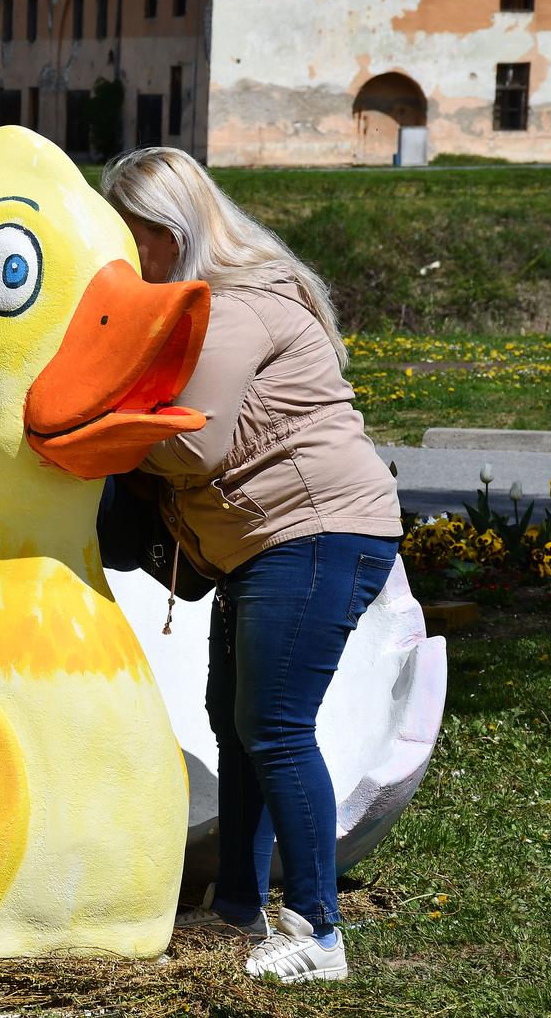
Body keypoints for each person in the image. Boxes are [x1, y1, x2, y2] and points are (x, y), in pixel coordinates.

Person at [101, 147, 402, 983]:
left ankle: (316, 933)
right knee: (236, 727)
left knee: (272, 728)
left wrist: (109, 433)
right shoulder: (210, 307)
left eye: (129, 236)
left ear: (168, 231)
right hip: (272, 544)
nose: (123, 257)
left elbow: (195, 446)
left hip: (314, 536)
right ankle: (235, 908)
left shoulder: (238, 308)